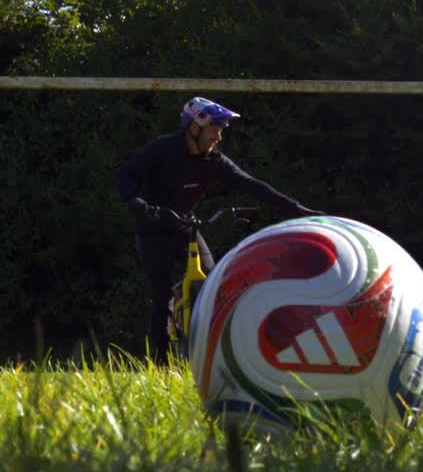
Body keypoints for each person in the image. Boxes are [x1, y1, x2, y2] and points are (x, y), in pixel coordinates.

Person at [114, 96, 323, 363]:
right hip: (153, 229)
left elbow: (252, 185)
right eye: (215, 129)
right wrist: (135, 202)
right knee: (161, 297)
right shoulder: (162, 149)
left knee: (213, 285)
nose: (219, 137)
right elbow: (124, 174)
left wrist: (299, 210)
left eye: (221, 130)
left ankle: (211, 355)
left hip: (184, 226)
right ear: (194, 127)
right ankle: (162, 363)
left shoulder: (214, 161)